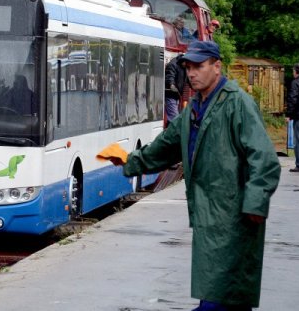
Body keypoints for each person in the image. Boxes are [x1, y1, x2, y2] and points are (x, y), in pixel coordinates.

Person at [107, 40, 281, 311]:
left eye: (198, 66)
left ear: (217, 66)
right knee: (221, 294)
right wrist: (128, 160)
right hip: (208, 215)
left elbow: (265, 159)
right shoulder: (195, 108)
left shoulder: (237, 104)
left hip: (235, 216)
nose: (191, 73)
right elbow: (165, 148)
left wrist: (256, 202)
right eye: (188, 67)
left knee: (219, 298)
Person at [165, 54, 186, 123]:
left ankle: (169, 131)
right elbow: (170, 76)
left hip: (177, 96)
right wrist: (172, 85)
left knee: (172, 118)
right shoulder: (173, 64)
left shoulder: (183, 67)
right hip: (170, 95)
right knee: (175, 118)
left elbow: (188, 79)